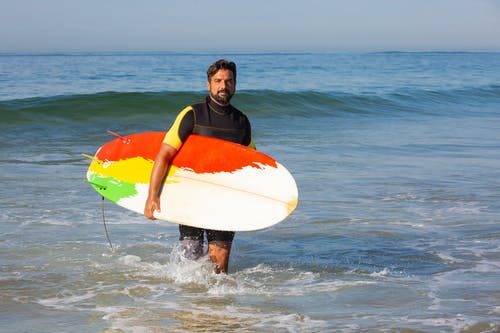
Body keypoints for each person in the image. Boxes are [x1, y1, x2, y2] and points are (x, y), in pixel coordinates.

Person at [144, 59, 254, 274]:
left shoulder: (241, 121)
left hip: (224, 196)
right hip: (191, 194)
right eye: (218, 81)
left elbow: (249, 163)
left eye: (229, 81)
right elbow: (164, 154)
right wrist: (152, 195)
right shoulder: (192, 114)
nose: (224, 86)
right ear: (208, 84)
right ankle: (189, 303)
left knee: (220, 263)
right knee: (190, 258)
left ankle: (215, 305)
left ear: (235, 84)